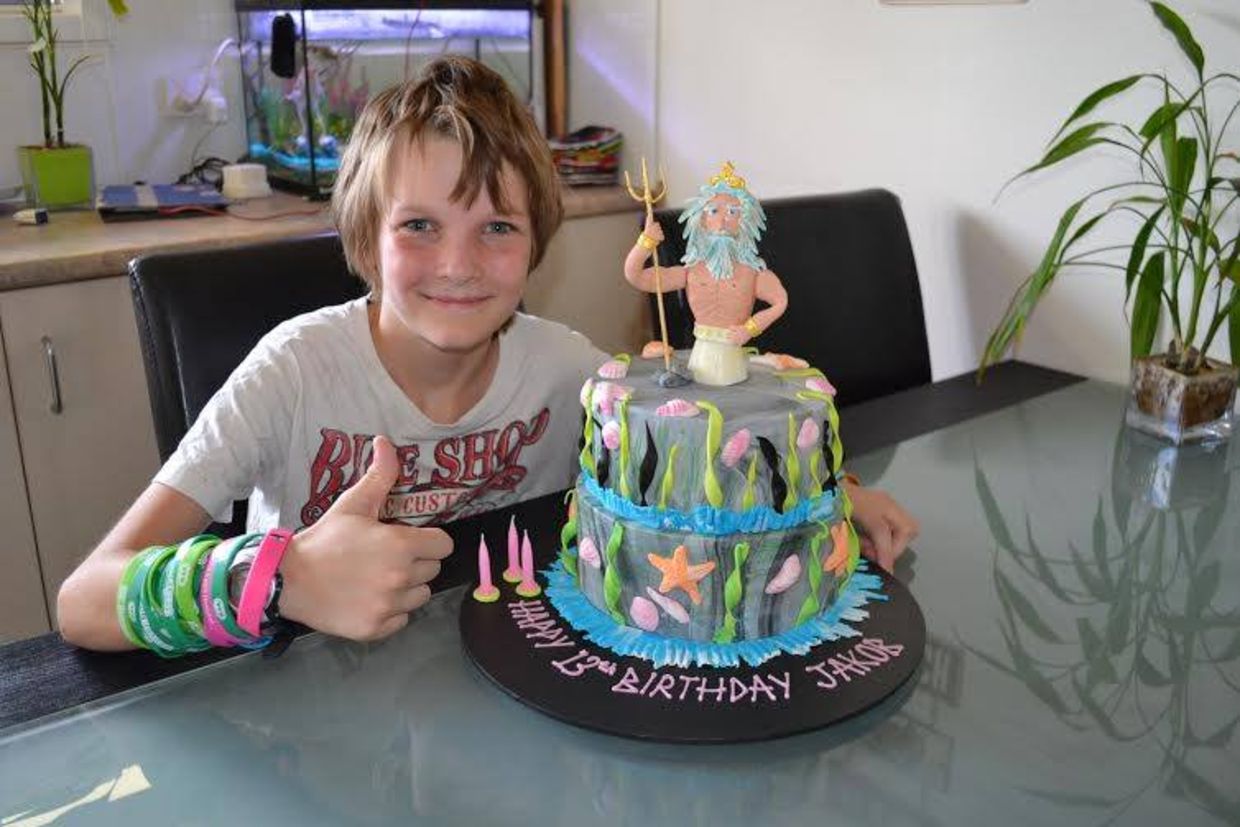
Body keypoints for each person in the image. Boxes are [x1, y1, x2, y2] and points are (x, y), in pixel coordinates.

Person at [58, 56, 917, 655]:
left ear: (537, 241)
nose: (460, 265)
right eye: (420, 225)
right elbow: (85, 597)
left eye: (497, 227)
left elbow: (703, 434)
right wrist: (281, 580)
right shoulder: (291, 373)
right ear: (366, 234)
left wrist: (838, 492)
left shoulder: (569, 374)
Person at [625, 161, 787, 386]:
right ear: (701, 220)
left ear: (745, 220)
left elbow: (780, 301)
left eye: (732, 212)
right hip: (699, 364)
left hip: (734, 368)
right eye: (713, 211)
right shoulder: (690, 272)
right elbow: (637, 276)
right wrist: (645, 244)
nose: (722, 221)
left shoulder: (755, 274)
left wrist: (749, 329)